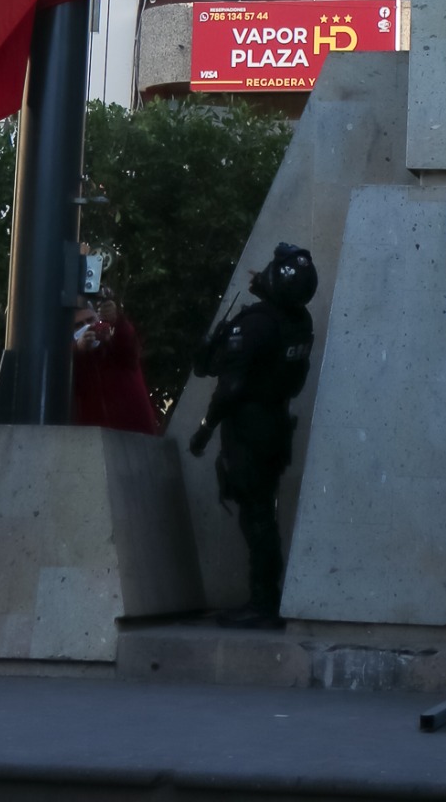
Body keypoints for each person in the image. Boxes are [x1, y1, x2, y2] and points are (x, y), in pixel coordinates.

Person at [187, 243, 317, 626]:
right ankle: (264, 599)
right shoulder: (298, 320)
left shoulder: (259, 322)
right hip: (275, 423)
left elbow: (229, 386)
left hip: (250, 428)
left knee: (257, 517)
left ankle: (262, 603)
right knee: (262, 513)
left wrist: (205, 429)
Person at [72, 291, 159, 434]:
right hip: (96, 437)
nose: (87, 327)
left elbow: (129, 344)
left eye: (90, 320)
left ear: (98, 319)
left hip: (137, 432)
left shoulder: (115, 345)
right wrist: (77, 349)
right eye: (79, 325)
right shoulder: (74, 361)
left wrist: (116, 319)